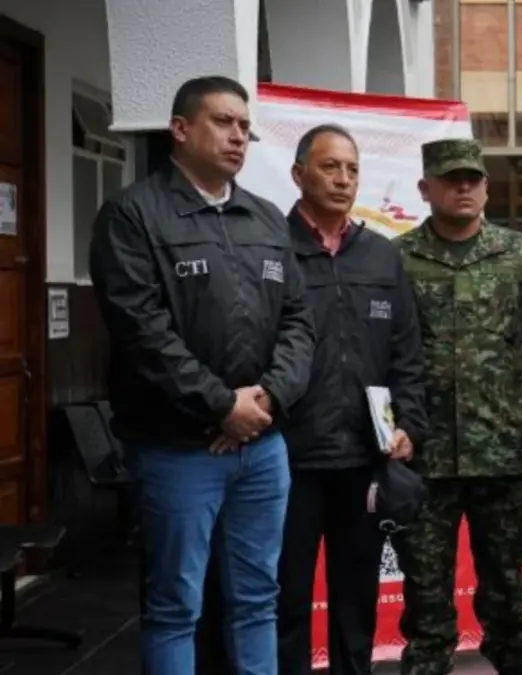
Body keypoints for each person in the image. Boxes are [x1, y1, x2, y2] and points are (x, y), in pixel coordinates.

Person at [88, 75, 315, 675]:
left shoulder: (266, 218)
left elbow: (299, 320)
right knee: (174, 606)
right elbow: (142, 331)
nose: (238, 136)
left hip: (263, 448)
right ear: (180, 129)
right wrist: (221, 405)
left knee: (257, 600)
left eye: (244, 126)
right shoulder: (132, 215)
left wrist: (266, 400)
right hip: (176, 449)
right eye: (222, 121)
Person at [393, 138, 522, 675]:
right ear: (425, 188)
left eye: (473, 179)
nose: (464, 187)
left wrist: (504, 390)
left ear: (485, 186)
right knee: (426, 597)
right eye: (451, 179)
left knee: (507, 592)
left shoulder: (520, 254)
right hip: (425, 457)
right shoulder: (398, 258)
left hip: (502, 453)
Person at [275, 124, 428, 675]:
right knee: (285, 596)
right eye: (329, 167)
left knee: (355, 595)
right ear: (298, 175)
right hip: (290, 458)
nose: (343, 179)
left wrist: (407, 424)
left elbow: (407, 356)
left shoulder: (381, 257)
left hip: (365, 458)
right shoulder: (273, 247)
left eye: (352, 169)